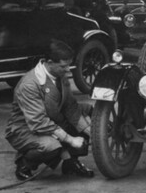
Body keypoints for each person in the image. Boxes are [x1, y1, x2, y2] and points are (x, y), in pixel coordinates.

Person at [5, 39, 95, 180]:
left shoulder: (60, 75)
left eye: (69, 66)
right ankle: (25, 164)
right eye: (63, 66)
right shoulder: (29, 84)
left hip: (52, 119)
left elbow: (70, 107)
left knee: (84, 115)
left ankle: (71, 163)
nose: (67, 70)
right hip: (25, 129)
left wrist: (90, 131)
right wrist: (70, 140)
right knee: (51, 146)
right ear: (48, 62)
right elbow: (38, 122)